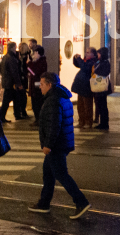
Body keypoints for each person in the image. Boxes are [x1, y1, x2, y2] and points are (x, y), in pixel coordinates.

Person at [28, 72, 91, 219]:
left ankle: (81, 202)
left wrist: (48, 145)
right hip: (62, 142)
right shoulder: (61, 96)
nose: (40, 87)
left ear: (49, 85)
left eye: (42, 84)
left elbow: (53, 125)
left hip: (57, 144)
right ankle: (44, 203)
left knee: (61, 174)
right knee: (48, 173)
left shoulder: (53, 100)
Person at [0, 42, 25, 123]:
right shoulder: (11, 58)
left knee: (15, 98)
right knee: (7, 101)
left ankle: (16, 114)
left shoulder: (5, 57)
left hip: (8, 82)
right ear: (13, 48)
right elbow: (14, 72)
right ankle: (1, 116)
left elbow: (1, 69)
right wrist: (18, 83)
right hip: (11, 83)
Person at [71, 48, 97, 129]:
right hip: (81, 87)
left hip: (87, 87)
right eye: (86, 52)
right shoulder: (86, 61)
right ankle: (81, 121)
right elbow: (78, 65)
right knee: (80, 106)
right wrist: (75, 59)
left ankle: (88, 122)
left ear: (93, 54)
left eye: (88, 52)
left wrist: (79, 59)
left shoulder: (93, 62)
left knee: (87, 106)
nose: (86, 54)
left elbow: (85, 68)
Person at [26, 46, 48, 124]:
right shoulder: (39, 62)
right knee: (35, 103)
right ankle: (37, 119)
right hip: (35, 85)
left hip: (37, 86)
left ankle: (38, 119)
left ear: (38, 53)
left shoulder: (41, 62)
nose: (34, 55)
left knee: (37, 103)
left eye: (35, 53)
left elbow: (34, 73)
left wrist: (29, 64)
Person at [92, 47, 112, 130]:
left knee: (103, 105)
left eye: (99, 53)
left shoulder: (105, 63)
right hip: (98, 86)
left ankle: (104, 123)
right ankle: (102, 122)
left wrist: (96, 72)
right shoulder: (99, 62)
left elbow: (105, 72)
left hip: (102, 87)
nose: (98, 55)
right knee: (99, 105)